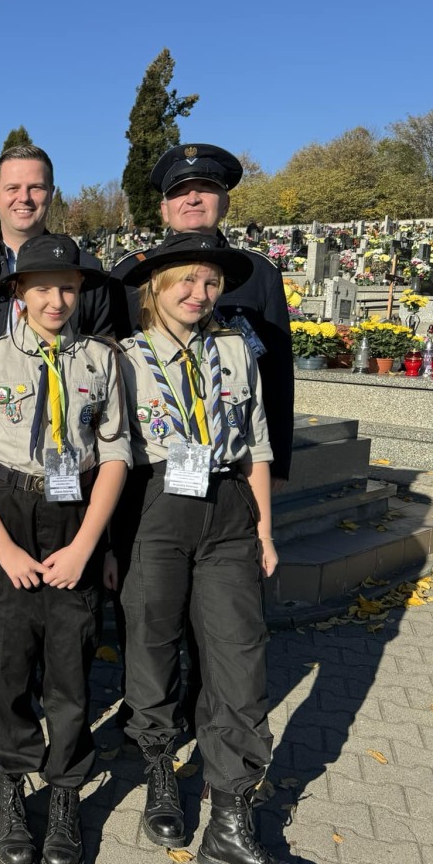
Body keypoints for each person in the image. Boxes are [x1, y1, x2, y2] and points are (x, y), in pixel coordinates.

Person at [115, 234, 305, 864]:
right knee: (152, 645)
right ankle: (160, 769)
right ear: (155, 290)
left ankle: (229, 820)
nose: (199, 295)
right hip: (157, 507)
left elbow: (255, 444)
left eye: (210, 283)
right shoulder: (126, 358)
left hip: (228, 510)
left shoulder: (234, 349)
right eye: (184, 284)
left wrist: (266, 534)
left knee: (239, 660)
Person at [0, 234, 129, 864]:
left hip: (74, 514)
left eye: (69, 287)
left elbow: (114, 455)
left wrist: (88, 545)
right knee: (5, 659)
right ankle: (10, 783)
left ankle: (63, 793)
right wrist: (1, 545)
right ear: (18, 295)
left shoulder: (100, 362)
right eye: (42, 287)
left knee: (70, 660)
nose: (57, 299)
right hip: (8, 508)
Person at [0, 144, 118, 748]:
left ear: (51, 194)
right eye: (12, 188)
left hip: (64, 466)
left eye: (36, 187)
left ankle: (47, 699)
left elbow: (110, 367)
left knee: (61, 601)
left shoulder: (85, 276)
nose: (24, 198)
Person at [108, 143, 295, 740]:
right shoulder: (129, 276)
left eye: (206, 190)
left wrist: (270, 489)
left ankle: (207, 722)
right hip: (156, 488)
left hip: (229, 482)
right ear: (163, 208)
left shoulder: (258, 273)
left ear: (223, 200)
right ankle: (155, 730)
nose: (199, 291)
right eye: (180, 193)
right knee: (153, 624)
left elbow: (276, 384)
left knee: (228, 634)